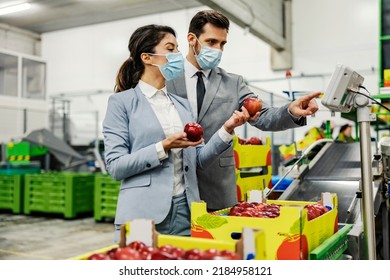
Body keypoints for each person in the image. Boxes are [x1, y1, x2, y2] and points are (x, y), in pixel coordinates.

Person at [102, 24, 249, 240]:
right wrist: (163, 147)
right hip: (142, 214)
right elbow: (115, 166)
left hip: (186, 210)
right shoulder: (121, 103)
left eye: (177, 49)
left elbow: (199, 159)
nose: (178, 55)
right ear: (147, 57)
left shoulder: (181, 105)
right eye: (170, 49)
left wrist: (226, 130)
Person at [166, 10, 321, 211]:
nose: (218, 50)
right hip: (173, 187)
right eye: (211, 42)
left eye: (222, 44)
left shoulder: (233, 83)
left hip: (217, 188)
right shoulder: (166, 77)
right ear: (191, 39)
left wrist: (290, 111)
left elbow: (263, 116)